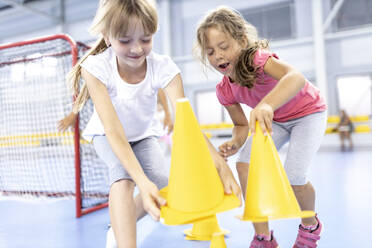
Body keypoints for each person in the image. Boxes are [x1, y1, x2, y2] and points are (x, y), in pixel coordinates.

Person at [67, 1, 241, 248]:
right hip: (107, 135)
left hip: (143, 135)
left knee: (163, 185)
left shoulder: (164, 67)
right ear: (107, 37)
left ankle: (118, 225)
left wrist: (220, 165)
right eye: (125, 41)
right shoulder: (95, 68)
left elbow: (186, 122)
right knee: (123, 178)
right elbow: (114, 130)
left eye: (145, 39)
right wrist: (140, 180)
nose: (137, 49)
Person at [195, 6, 327, 248]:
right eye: (210, 52)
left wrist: (266, 105)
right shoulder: (224, 90)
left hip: (308, 114)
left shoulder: (259, 59)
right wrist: (236, 141)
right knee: (243, 164)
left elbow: (295, 78)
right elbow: (240, 125)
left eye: (224, 47)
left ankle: (310, 228)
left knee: (294, 177)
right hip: (276, 119)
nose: (217, 56)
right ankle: (263, 237)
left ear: (242, 41)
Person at [57, 89, 173, 133]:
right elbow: (88, 88)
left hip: (137, 129)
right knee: (122, 174)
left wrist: (168, 114)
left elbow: (158, 87)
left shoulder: (142, 60)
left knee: (155, 175)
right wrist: (73, 113)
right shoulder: (103, 62)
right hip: (107, 129)